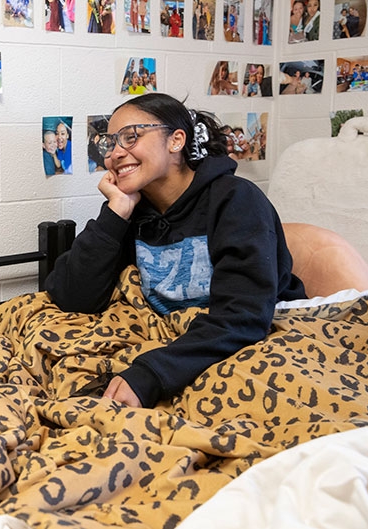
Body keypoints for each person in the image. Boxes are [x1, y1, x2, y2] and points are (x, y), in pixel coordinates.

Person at [44, 92, 305, 408]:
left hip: (254, 339)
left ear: (176, 141)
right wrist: (116, 214)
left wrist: (151, 374)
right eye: (109, 143)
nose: (114, 154)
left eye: (130, 137)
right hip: (178, 345)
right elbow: (73, 297)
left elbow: (244, 316)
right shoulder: (134, 210)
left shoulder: (236, 200)